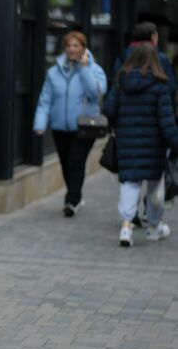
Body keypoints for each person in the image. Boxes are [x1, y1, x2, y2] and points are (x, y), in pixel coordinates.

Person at [103, 43, 178, 247]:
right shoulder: (160, 86)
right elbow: (167, 121)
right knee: (155, 185)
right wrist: (175, 142)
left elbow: (109, 110)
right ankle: (154, 227)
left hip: (127, 143)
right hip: (154, 145)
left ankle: (126, 226)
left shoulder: (121, 83)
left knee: (129, 183)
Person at [33, 31, 108, 217]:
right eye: (68, 46)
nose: (71, 49)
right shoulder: (53, 72)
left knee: (76, 161)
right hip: (60, 127)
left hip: (84, 127)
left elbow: (96, 93)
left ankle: (71, 201)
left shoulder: (94, 69)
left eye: (75, 46)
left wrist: (83, 69)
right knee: (66, 163)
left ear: (83, 47)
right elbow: (45, 99)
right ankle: (76, 196)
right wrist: (40, 123)